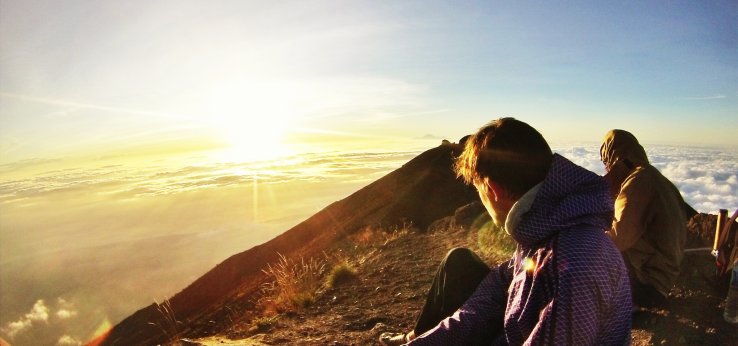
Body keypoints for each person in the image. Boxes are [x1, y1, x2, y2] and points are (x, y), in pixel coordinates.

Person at [380, 118, 632, 345]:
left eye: (477, 189)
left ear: (493, 190)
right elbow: (478, 310)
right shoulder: (541, 234)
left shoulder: (576, 260)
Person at [600, 129, 688, 309]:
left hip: (649, 286)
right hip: (665, 278)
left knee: (590, 251)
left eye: (606, 162)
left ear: (615, 158)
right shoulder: (655, 177)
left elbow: (617, 240)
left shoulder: (637, 182)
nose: (607, 169)